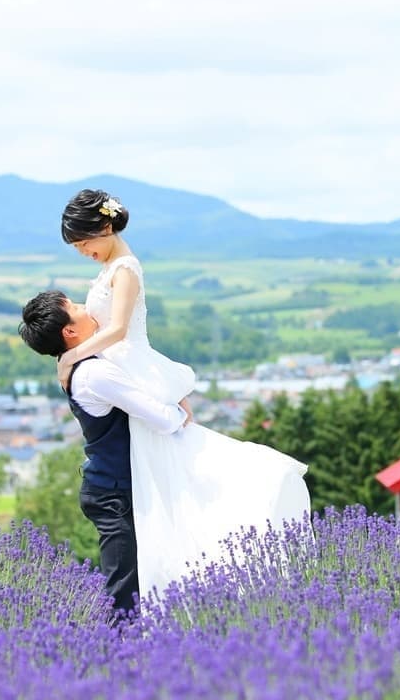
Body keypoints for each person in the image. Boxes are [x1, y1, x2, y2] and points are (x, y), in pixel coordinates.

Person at [53, 188, 310, 600]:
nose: (84, 252)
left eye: (85, 243)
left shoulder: (125, 270)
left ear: (105, 228)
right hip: (125, 370)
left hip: (128, 365)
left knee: (176, 474)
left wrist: (70, 358)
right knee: (161, 481)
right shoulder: (110, 269)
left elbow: (117, 330)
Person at [18, 291, 190, 620]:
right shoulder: (94, 374)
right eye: (76, 307)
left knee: (146, 583)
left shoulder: (80, 363)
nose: (86, 307)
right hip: (113, 494)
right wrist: (182, 408)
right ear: (69, 332)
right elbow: (164, 419)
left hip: (118, 487)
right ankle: (118, 662)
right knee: (125, 593)